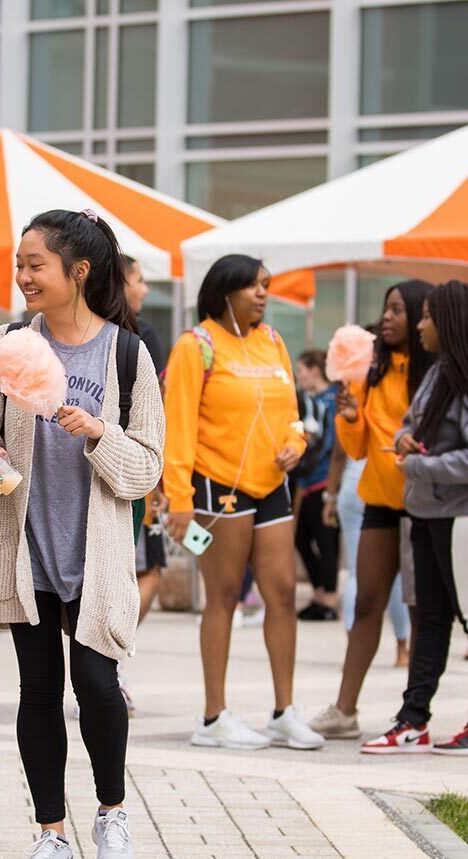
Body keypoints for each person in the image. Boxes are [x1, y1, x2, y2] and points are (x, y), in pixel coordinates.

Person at [0, 209, 164, 859]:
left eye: (34, 265)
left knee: (99, 686)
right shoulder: (4, 346)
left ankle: (111, 814)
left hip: (96, 555)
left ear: (79, 271)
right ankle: (51, 834)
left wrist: (100, 432)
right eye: (19, 264)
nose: (22, 277)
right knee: (38, 690)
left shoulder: (128, 355)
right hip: (27, 548)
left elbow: (147, 469)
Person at [163, 254, 323, 753]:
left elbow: (292, 414)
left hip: (273, 485)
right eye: (253, 285)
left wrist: (296, 443)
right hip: (216, 490)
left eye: (265, 285)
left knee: (282, 593)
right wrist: (179, 501)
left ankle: (284, 712)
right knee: (224, 597)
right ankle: (213, 717)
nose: (262, 293)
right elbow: (179, 428)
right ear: (224, 289)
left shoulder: (273, 341)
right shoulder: (197, 346)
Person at [362, 281, 468, 754]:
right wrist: (407, 438)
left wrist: (420, 465)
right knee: (430, 621)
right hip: (430, 512)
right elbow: (416, 422)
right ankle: (413, 720)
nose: (419, 325)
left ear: (448, 322)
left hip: (465, 514)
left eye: (426, 316)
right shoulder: (442, 369)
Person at [310, 281, 433, 740]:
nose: (388, 317)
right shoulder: (371, 372)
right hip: (380, 501)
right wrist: (349, 417)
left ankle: (415, 711)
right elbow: (358, 448)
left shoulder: (431, 373)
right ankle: (345, 709)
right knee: (366, 603)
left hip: (424, 504)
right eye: (386, 308)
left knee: (422, 609)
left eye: (399, 309)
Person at [120, 254, 168, 715]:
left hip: (134, 471)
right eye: (138, 279)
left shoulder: (132, 335)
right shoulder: (139, 337)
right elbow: (158, 409)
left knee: (147, 570)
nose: (144, 289)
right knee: (144, 571)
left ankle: (109, 654)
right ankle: (109, 656)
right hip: (132, 474)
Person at [323, 438, 411, 666]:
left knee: (355, 572)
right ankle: (402, 650)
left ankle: (354, 650)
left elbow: (338, 454)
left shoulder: (355, 405)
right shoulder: (391, 405)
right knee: (396, 574)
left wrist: (330, 496)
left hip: (352, 487)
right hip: (385, 483)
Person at [293, 350, 339, 621]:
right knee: (302, 537)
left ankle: (329, 599)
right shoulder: (311, 401)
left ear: (314, 369)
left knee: (326, 540)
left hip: (325, 481)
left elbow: (333, 445)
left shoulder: (331, 400)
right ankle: (321, 592)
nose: (299, 376)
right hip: (309, 481)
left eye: (302, 369)